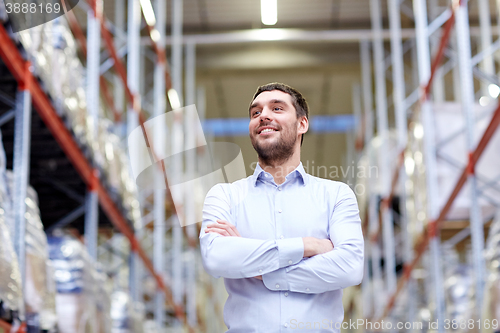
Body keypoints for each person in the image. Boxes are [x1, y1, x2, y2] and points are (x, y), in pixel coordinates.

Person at [199, 82, 364, 332]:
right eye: (256, 113)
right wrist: (307, 246)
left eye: (277, 108)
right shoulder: (224, 196)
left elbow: (350, 268)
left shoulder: (336, 195)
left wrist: (259, 270)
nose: (263, 115)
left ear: (302, 124)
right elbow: (216, 258)